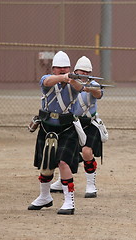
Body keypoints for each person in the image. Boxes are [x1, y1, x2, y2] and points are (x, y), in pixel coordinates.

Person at [27, 51, 85, 215]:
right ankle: (44, 197)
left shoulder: (75, 82)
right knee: (45, 164)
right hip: (47, 126)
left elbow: (80, 87)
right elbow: (48, 81)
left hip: (67, 127)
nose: (62, 69)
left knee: (63, 162)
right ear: (53, 68)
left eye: (65, 67)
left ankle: (69, 201)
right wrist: (63, 77)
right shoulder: (47, 79)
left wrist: (72, 79)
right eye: (59, 68)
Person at [50, 56, 105, 198]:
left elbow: (98, 93)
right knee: (64, 154)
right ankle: (59, 181)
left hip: (90, 124)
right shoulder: (70, 84)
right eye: (81, 71)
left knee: (87, 152)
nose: (84, 74)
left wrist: (89, 89)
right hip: (74, 123)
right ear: (75, 71)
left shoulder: (94, 84)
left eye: (87, 71)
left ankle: (91, 184)